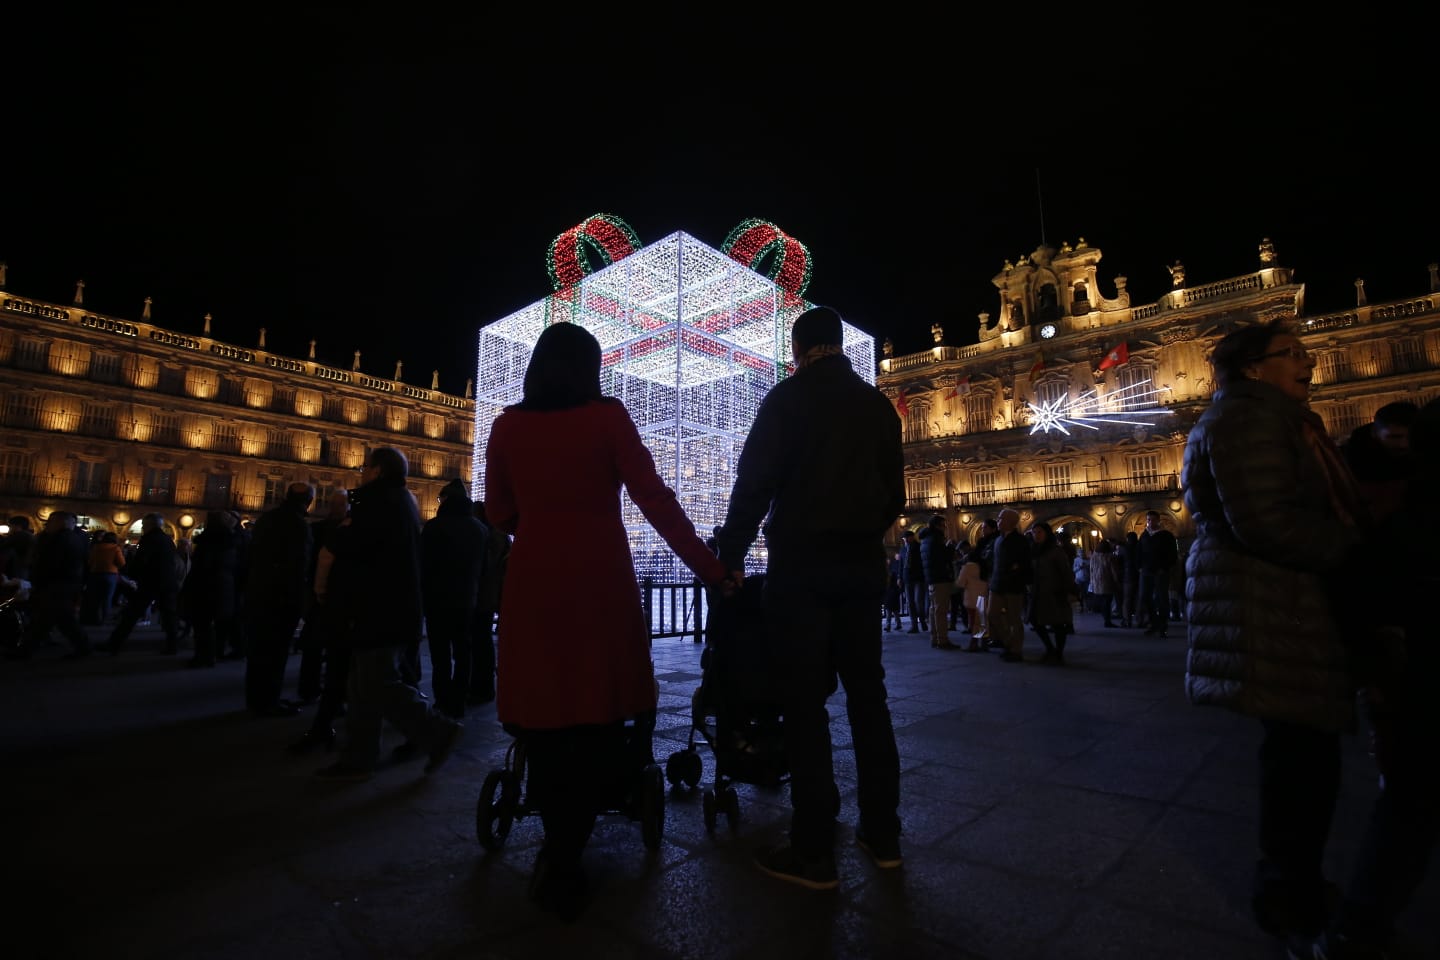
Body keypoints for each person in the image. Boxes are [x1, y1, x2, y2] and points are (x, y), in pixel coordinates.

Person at [485, 321, 727, 916]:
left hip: (535, 577)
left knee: (545, 699)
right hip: (599, 575)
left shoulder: (507, 426)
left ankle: (556, 843)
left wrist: (541, 527)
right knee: (595, 699)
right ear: (590, 368)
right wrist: (711, 568)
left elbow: (496, 510)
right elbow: (656, 500)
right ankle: (571, 843)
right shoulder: (608, 417)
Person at [1181, 320, 1367, 956]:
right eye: (1293, 354)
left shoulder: (1273, 418)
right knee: (1299, 766)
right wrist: (1362, 550)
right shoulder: (1245, 420)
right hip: (1274, 606)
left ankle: (1295, 891)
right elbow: (1265, 520)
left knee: (1302, 760)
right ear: (1254, 368)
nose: (1308, 362)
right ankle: (1291, 903)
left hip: (1283, 605)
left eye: (1308, 352)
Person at [715, 305, 904, 890]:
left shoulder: (785, 400)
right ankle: (883, 833)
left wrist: (729, 558)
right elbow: (894, 494)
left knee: (803, 705)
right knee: (868, 698)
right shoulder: (876, 407)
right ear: (840, 346)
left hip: (799, 571)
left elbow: (753, 484)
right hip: (858, 572)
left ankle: (814, 846)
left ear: (797, 350)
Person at [1306, 396, 1439, 960]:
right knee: (1411, 804)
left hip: (1405, 668)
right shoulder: (1400, 516)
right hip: (1412, 669)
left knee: (1409, 804)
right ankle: (1354, 930)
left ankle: (1355, 927)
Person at [315, 448, 464, 782]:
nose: (362, 472)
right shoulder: (401, 501)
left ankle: (438, 730)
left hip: (379, 608)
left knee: (377, 682)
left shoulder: (378, 503)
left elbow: (356, 550)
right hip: (392, 606)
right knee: (362, 686)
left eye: (365, 467)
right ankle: (359, 755)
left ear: (378, 471)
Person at [243, 482, 315, 717]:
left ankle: (255, 699)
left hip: (258, 592)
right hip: (283, 597)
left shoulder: (266, 520)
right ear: (308, 502)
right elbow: (299, 566)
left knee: (258, 651)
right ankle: (269, 702)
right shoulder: (299, 525)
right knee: (277, 651)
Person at [421, 478, 487, 719]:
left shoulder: (434, 527)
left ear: (446, 500)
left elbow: (425, 565)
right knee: (463, 653)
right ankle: (458, 700)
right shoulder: (479, 529)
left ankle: (442, 699)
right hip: (467, 600)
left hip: (438, 600)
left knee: (440, 656)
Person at [103, 513, 181, 656]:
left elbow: (141, 561)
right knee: (169, 615)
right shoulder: (168, 540)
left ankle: (114, 643)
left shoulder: (149, 539)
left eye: (144, 525)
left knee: (132, 614)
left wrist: (132, 576)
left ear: (150, 525)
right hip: (168, 581)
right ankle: (172, 645)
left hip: (150, 582)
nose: (144, 528)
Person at [1340, 400, 1418, 526]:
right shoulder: (1349, 470)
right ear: (1374, 434)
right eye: (1394, 437)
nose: (1404, 444)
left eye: (1410, 437)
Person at [987, 508, 1032, 663]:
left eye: (1001, 519)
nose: (998, 521)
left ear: (1011, 522)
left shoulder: (1020, 540)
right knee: (992, 614)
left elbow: (1024, 562)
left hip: (1013, 585)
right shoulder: (998, 539)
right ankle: (1009, 642)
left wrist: (1015, 570)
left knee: (1014, 619)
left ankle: (1016, 650)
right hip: (997, 583)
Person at [919, 514, 957, 650]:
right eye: (943, 525)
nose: (945, 528)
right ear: (937, 526)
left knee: (933, 609)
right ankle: (943, 640)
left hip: (931, 578)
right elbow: (944, 557)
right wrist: (950, 547)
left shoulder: (925, 539)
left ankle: (934, 637)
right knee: (941, 610)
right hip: (940, 578)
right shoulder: (936, 539)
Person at [1138, 510, 1178, 637]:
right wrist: (1139, 566)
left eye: (1153, 519)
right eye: (1148, 520)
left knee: (1162, 599)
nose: (1150, 522)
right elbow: (1139, 552)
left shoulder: (1166, 535)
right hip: (1146, 571)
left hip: (1161, 572)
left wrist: (1165, 567)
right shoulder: (1144, 535)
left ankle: (1162, 625)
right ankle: (1154, 622)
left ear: (1158, 520)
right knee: (1145, 597)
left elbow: (1172, 554)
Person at [82, 531, 125, 626]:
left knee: (95, 598)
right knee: (107, 598)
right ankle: (105, 619)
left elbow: (90, 561)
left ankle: (94, 618)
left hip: (95, 574)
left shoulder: (96, 547)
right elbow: (121, 563)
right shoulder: (115, 548)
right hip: (110, 575)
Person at [901, 528, 926, 633]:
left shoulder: (919, 547)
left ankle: (922, 620)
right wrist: (899, 577)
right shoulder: (903, 549)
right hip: (907, 578)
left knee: (918, 601)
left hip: (918, 578)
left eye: (907, 538)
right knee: (910, 602)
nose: (906, 540)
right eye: (904, 538)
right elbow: (901, 564)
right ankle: (914, 625)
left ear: (912, 538)